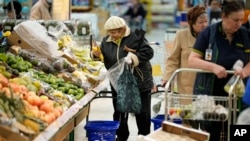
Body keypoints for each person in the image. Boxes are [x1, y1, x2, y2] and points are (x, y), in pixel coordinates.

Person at [188, 0, 250, 140]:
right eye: (235, 20)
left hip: (237, 97)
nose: (239, 24)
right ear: (224, 16)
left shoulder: (245, 35)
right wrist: (213, 67)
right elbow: (192, 60)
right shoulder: (208, 34)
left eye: (241, 19)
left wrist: (244, 72)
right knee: (212, 135)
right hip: (212, 97)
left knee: (238, 132)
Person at [93, 16, 154, 141]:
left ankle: (143, 137)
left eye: (114, 32)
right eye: (110, 32)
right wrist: (96, 55)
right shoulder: (106, 41)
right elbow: (105, 57)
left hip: (139, 81)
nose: (112, 35)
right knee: (120, 113)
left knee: (141, 113)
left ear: (121, 29)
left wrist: (134, 58)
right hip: (119, 83)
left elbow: (149, 52)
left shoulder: (135, 37)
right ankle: (121, 137)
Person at [162, 5, 208, 95]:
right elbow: (173, 60)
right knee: (186, 108)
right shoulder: (181, 35)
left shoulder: (211, 36)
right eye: (200, 22)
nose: (204, 25)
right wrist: (167, 78)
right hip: (186, 85)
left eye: (206, 22)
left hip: (206, 84)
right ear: (192, 23)